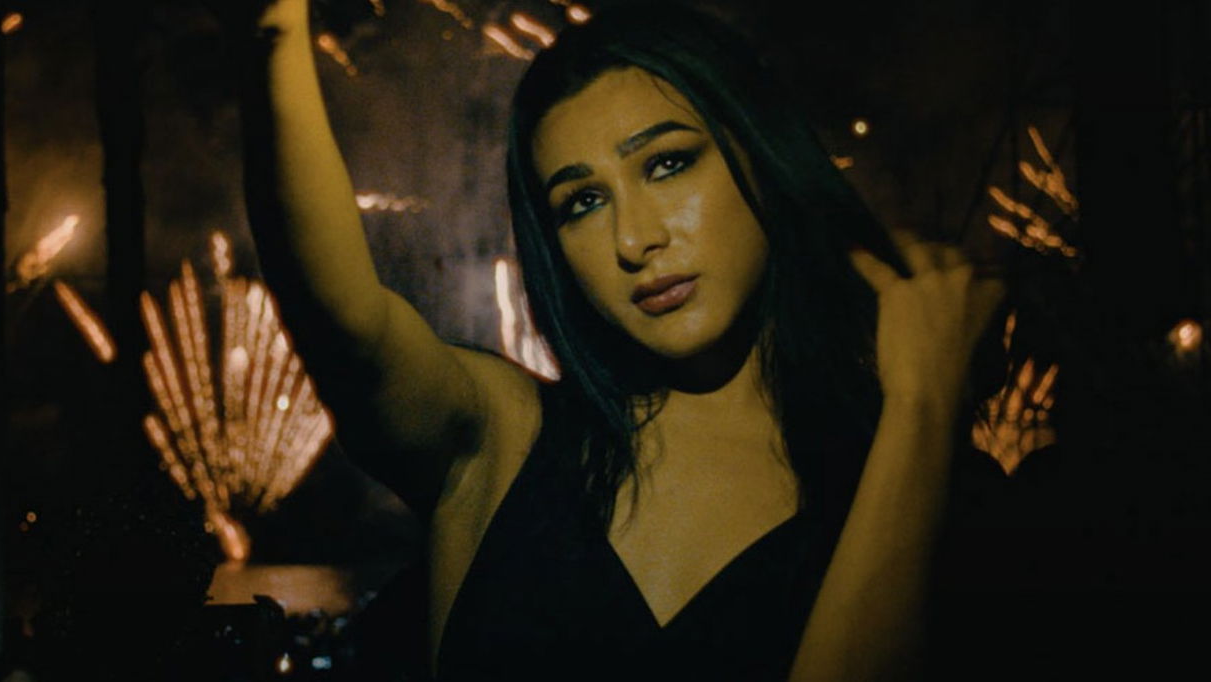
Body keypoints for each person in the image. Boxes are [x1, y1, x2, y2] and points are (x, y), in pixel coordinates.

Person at [236, 1, 1005, 679]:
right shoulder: (503, 439)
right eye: (582, 202)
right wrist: (274, 36)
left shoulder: (925, 480)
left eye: (667, 164)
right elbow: (343, 320)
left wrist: (922, 408)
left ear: (760, 157)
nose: (634, 240)